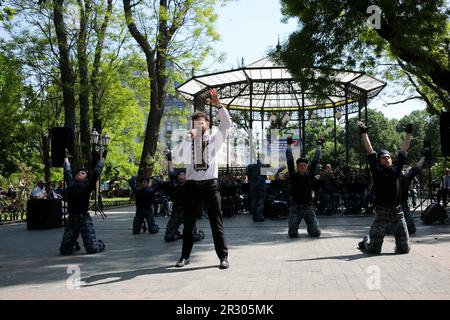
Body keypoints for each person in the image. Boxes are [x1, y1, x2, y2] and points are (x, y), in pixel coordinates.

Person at [172, 88, 231, 269]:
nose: (198, 125)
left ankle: (223, 257)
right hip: (191, 186)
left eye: (201, 122)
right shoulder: (188, 141)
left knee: (216, 222)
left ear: (208, 124)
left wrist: (218, 105)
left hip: (210, 186)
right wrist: (188, 137)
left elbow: (227, 124)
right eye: (195, 123)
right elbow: (176, 157)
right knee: (188, 223)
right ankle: (184, 257)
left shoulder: (215, 139)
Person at [357, 122, 412, 254]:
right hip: (381, 213)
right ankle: (365, 241)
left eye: (388, 157)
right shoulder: (376, 170)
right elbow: (370, 151)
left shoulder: (396, 169)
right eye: (383, 157)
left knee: (404, 249)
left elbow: (403, 150)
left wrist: (408, 134)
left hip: (397, 213)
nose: (386, 159)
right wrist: (364, 133)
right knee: (374, 250)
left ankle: (400, 244)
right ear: (379, 161)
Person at [59, 156, 105, 255]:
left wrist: (101, 162)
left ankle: (100, 244)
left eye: (83, 173)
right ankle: (74, 244)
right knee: (64, 251)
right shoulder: (71, 184)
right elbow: (68, 172)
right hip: (72, 220)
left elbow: (96, 174)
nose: (80, 173)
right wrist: (66, 160)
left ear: (86, 178)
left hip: (84, 219)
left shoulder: (88, 187)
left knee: (92, 249)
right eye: (79, 172)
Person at [285, 133, 323, 238]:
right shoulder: (293, 175)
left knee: (316, 233)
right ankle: (295, 228)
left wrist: (319, 146)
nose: (302, 167)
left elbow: (315, 160)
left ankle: (311, 228)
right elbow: (289, 161)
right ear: (297, 167)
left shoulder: (310, 175)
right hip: (295, 208)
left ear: (306, 167)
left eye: (304, 165)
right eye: (300, 165)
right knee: (292, 234)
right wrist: (289, 145)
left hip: (308, 207)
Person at [164, 152, 204, 242]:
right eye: (180, 175)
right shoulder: (175, 184)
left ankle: (199, 233)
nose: (182, 176)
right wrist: (170, 160)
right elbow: (171, 172)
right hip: (176, 212)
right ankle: (177, 234)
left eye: (184, 174)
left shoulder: (190, 184)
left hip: (188, 212)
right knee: (168, 238)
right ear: (177, 177)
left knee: (194, 238)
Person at [246, 155, 270, 222]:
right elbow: (274, 171)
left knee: (254, 201)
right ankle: (259, 216)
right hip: (261, 186)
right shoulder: (264, 167)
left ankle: (254, 216)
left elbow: (248, 176)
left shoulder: (250, 166)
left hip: (253, 186)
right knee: (260, 201)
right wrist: (283, 167)